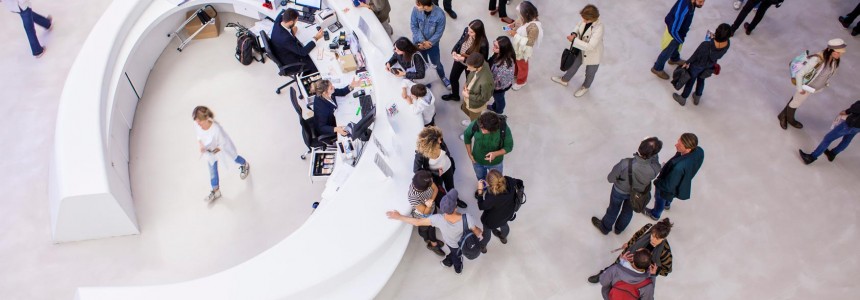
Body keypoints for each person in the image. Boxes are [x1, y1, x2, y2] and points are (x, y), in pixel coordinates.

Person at [386, 189, 483, 274]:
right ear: (455, 208)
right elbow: (477, 232)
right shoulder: (467, 218)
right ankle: (458, 269)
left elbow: (417, 222)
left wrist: (399, 217)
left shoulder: (437, 219)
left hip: (450, 243)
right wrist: (479, 231)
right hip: (462, 244)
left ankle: (449, 263)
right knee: (457, 256)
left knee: (454, 253)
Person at [592, 137, 662, 235]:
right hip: (638, 195)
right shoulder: (655, 168)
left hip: (619, 191)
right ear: (654, 153)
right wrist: (653, 149)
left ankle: (605, 228)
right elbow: (655, 159)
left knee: (613, 209)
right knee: (628, 212)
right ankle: (618, 229)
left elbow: (610, 178)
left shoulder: (625, 163)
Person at [778, 39, 845, 130]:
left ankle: (783, 115)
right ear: (829, 50)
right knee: (796, 102)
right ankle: (788, 118)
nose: (840, 55)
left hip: (813, 88)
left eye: (840, 53)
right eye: (837, 52)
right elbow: (800, 74)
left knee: (796, 99)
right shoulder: (817, 59)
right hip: (806, 86)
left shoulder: (834, 60)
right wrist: (800, 89)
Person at [192, 106, 250, 203]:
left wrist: (211, 151)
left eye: (200, 122)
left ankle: (245, 164)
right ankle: (216, 191)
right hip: (209, 151)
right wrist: (201, 144)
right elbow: (198, 134)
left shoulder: (216, 130)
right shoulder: (197, 123)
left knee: (235, 158)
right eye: (197, 121)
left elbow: (222, 145)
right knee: (212, 172)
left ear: (206, 119)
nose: (198, 124)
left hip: (222, 148)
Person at [588, 219, 674, 283]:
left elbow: (666, 270)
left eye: (658, 238)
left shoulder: (665, 252)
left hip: (640, 271)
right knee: (616, 266)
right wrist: (629, 244)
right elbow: (637, 235)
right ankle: (603, 275)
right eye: (653, 235)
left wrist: (654, 271)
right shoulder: (648, 228)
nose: (654, 240)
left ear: (664, 238)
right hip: (629, 255)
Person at [644, 133, 704, 220]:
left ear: (688, 148)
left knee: (660, 197)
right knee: (670, 195)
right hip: (679, 181)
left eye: (679, 144)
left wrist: (656, 182)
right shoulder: (699, 151)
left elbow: (667, 186)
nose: (675, 145)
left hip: (667, 184)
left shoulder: (678, 167)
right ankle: (667, 205)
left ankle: (655, 214)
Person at [551, 4, 604, 98]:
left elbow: (591, 46)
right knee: (573, 65)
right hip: (581, 48)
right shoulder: (585, 19)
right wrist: (574, 33)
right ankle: (564, 80)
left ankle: (585, 87)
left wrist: (574, 40)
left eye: (585, 19)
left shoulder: (599, 28)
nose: (583, 20)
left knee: (590, 73)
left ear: (592, 18)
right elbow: (578, 25)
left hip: (593, 54)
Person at [672, 23, 731, 106]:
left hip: (696, 66)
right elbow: (716, 51)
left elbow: (695, 56)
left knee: (690, 81)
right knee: (701, 80)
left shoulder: (705, 45)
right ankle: (697, 97)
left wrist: (687, 62)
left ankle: (682, 98)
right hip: (709, 66)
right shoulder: (727, 44)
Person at [414, 126, 469, 208]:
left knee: (450, 187)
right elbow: (417, 170)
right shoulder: (421, 154)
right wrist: (434, 172)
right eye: (439, 140)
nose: (441, 141)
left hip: (447, 167)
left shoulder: (440, 141)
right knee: (440, 191)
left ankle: (455, 200)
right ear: (431, 145)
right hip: (436, 175)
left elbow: (447, 153)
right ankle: (447, 203)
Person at [651, 0, 705, 80]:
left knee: (675, 47)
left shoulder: (692, 3)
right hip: (674, 34)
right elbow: (674, 28)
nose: (702, 4)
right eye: (700, 1)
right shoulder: (684, 8)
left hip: (679, 33)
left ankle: (674, 59)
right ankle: (657, 68)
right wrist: (678, 38)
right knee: (667, 51)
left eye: (704, 1)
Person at [442, 20, 489, 102]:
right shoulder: (466, 31)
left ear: (478, 33)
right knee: (453, 78)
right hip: (459, 60)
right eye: (468, 29)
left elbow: (482, 61)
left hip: (470, 66)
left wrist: (464, 59)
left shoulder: (483, 44)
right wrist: (454, 51)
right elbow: (460, 42)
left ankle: (468, 99)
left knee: (469, 83)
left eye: (471, 32)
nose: (468, 33)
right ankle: (455, 95)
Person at [464, 112, 514, 187]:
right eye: (481, 128)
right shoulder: (478, 123)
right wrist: (469, 154)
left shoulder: (504, 129)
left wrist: (495, 154)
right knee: (480, 178)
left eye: (485, 130)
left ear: (493, 130)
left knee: (497, 182)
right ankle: (483, 188)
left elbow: (509, 146)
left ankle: (494, 194)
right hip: (477, 161)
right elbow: (467, 135)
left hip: (496, 163)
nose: (482, 131)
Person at [406, 170, 447, 256]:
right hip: (422, 216)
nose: (432, 182)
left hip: (432, 208)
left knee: (432, 227)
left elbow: (435, 189)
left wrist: (431, 201)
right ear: (424, 189)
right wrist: (428, 206)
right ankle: (429, 241)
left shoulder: (425, 179)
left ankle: (433, 241)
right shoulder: (413, 197)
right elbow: (425, 213)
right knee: (425, 229)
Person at [271, 9, 324, 74]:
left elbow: (283, 11)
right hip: (290, 59)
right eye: (296, 21)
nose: (296, 23)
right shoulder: (285, 39)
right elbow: (303, 52)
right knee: (317, 63)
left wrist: (292, 31)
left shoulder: (279, 19)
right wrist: (316, 38)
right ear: (290, 22)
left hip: (282, 49)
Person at [411, 0, 450, 89]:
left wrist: (429, 43)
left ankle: (442, 77)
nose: (416, 6)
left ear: (425, 6)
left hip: (433, 45)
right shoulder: (415, 10)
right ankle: (426, 78)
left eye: (418, 4)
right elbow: (414, 26)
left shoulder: (440, 15)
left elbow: (439, 33)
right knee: (422, 63)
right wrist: (423, 42)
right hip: (419, 43)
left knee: (437, 63)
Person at [506, 1, 543, 91]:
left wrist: (515, 35)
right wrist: (513, 25)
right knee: (515, 61)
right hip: (516, 46)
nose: (519, 16)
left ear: (526, 14)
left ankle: (522, 81)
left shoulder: (534, 28)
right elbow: (518, 22)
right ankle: (515, 73)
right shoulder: (524, 18)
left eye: (520, 14)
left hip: (523, 50)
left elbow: (530, 43)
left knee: (522, 66)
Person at [477, 170, 517, 251]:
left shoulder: (491, 196)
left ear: (489, 183)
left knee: (487, 235)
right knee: (504, 226)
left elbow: (481, 206)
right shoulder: (509, 180)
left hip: (492, 221)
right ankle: (503, 238)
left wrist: (480, 191)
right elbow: (518, 182)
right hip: (507, 214)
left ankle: (482, 246)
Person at [459, 53, 495, 127]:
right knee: (466, 110)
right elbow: (472, 74)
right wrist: (466, 83)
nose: (467, 69)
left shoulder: (485, 82)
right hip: (469, 96)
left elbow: (484, 98)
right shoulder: (481, 62)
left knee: (476, 121)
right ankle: (471, 121)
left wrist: (468, 96)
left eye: (469, 67)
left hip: (475, 104)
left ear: (477, 67)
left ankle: (472, 133)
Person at [488, 36, 516, 114]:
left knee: (499, 99)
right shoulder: (499, 54)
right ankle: (494, 106)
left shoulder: (504, 67)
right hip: (497, 83)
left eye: (496, 47)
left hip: (499, 87)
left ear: (503, 50)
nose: (493, 48)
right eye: (494, 44)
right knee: (497, 98)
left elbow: (497, 82)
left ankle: (499, 111)